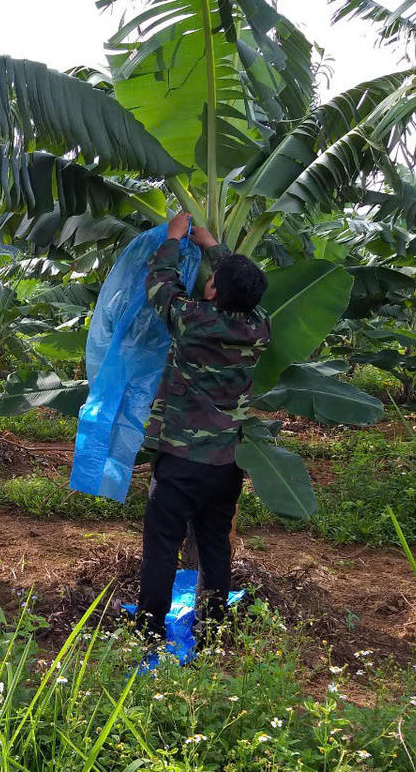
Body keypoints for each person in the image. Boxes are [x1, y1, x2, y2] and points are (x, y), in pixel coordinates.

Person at [133, 211, 271, 645]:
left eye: (214, 279)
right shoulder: (258, 327)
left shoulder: (193, 322)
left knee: (161, 548)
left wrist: (174, 239)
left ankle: (149, 634)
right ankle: (210, 631)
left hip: (180, 459)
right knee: (215, 546)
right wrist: (214, 247)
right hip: (227, 463)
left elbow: (161, 284)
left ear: (213, 289)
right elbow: (240, 288)